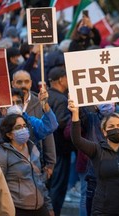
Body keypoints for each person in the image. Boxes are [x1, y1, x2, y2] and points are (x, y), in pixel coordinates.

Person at [0, 114, 54, 216]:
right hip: (18, 209)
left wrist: (49, 206)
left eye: (24, 126)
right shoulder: (2, 153)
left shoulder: (33, 148)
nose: (23, 129)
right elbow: (0, 186)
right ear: (9, 134)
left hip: (40, 207)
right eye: (18, 127)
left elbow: (39, 181)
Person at [11, 70, 56, 179]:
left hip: (34, 166)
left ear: (31, 83)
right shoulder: (3, 106)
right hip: (10, 168)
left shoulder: (38, 105)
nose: (23, 85)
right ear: (13, 84)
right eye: (19, 82)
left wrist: (50, 163)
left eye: (26, 82)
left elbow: (49, 129)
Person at [47, 66, 73, 216]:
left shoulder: (45, 97)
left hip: (49, 149)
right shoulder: (62, 100)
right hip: (60, 150)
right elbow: (62, 123)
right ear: (62, 79)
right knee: (58, 187)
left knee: (49, 186)